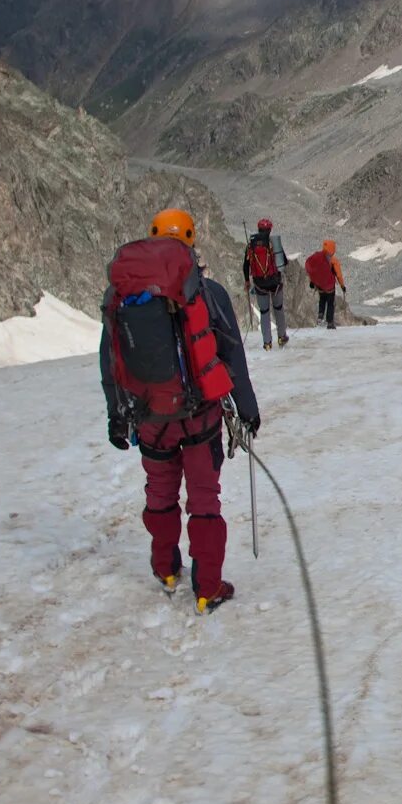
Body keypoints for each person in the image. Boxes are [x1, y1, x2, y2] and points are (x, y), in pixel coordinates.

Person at [101, 208, 261, 615]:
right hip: (199, 416)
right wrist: (247, 409)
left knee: (160, 492)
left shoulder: (122, 298)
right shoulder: (207, 292)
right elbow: (232, 355)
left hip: (148, 417)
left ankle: (166, 569)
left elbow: (111, 360)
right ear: (190, 242)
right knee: (204, 498)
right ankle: (208, 587)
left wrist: (116, 415)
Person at [243, 217, 289, 350]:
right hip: (275, 282)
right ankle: (281, 337)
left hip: (259, 283)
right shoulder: (273, 243)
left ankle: (267, 343)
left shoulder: (251, 244)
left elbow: (245, 265)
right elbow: (283, 262)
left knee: (264, 312)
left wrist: (247, 281)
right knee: (278, 309)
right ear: (269, 230)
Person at [304, 239, 346, 329]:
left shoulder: (319, 257)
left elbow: (314, 271)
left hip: (320, 286)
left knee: (322, 300)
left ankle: (320, 316)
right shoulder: (333, 260)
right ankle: (330, 322)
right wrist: (342, 286)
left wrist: (312, 282)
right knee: (330, 303)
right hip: (330, 287)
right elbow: (338, 274)